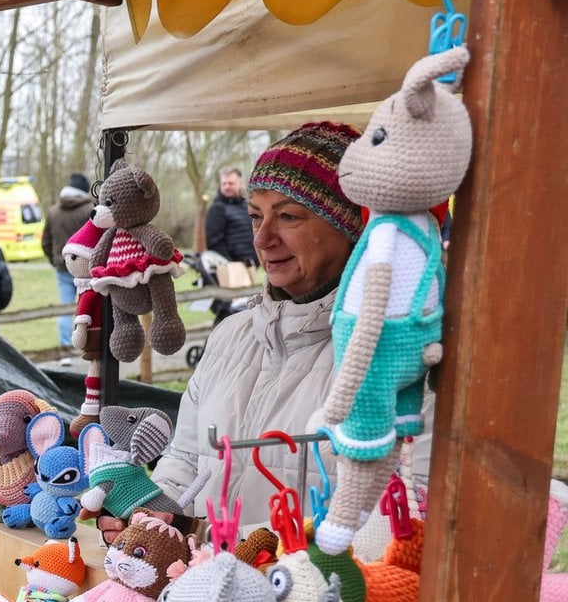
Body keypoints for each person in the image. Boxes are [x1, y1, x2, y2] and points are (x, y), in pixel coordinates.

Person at [142, 122, 432, 540]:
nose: (262, 239)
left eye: (288, 217)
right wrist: (153, 515)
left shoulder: (398, 359)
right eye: (256, 216)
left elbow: (400, 514)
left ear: (352, 225)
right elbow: (185, 459)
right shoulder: (230, 336)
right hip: (191, 593)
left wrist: (236, 545)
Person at [41, 173, 95, 351]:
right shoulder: (90, 210)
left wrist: (56, 260)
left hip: (63, 269)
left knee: (65, 308)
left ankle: (65, 350)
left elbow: (46, 242)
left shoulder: (53, 211)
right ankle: (89, 346)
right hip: (88, 268)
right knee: (89, 307)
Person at [203, 165, 261, 324]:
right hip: (231, 269)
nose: (227, 186)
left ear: (240, 184)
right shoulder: (217, 208)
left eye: (231, 183)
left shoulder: (246, 207)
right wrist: (231, 264)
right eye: (224, 184)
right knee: (233, 312)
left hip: (249, 266)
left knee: (248, 311)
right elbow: (214, 242)